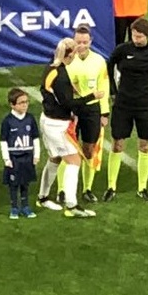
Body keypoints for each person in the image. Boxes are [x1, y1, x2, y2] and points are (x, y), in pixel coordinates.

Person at [36, 38, 103, 217]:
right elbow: (69, 104)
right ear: (70, 54)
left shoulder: (51, 68)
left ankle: (42, 197)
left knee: (55, 158)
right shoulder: (62, 76)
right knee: (74, 161)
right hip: (58, 124)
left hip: (47, 119)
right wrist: (92, 96)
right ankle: (72, 205)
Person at [105, 18, 148, 201]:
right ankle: (111, 186)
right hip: (123, 103)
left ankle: (142, 187)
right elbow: (109, 66)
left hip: (145, 104)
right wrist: (113, 91)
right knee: (117, 143)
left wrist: (145, 92)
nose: (136, 39)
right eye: (133, 35)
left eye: (139, 36)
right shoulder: (122, 50)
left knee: (144, 145)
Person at [57, 24, 110, 203]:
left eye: (85, 42)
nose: (81, 45)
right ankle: (62, 190)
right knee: (68, 149)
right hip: (72, 109)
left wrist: (104, 112)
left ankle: (87, 188)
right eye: (78, 42)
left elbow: (104, 86)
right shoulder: (67, 61)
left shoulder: (99, 61)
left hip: (92, 109)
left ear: (90, 41)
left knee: (89, 149)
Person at [0, 88, 40, 219]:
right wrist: (6, 158)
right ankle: (14, 208)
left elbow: (35, 137)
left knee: (25, 183)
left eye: (26, 102)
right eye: (21, 102)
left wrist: (36, 155)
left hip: (27, 156)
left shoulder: (30, 119)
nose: (25, 105)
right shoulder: (7, 121)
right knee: (14, 184)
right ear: (12, 104)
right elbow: (3, 141)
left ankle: (26, 206)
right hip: (14, 157)